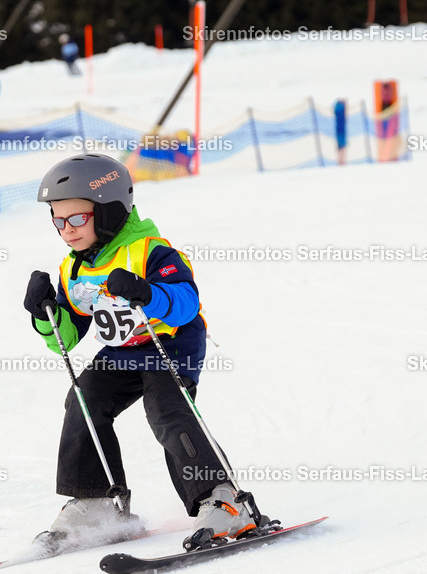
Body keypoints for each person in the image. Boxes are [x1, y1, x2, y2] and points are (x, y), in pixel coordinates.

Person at [23, 153, 264, 550]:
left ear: (109, 211)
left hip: (169, 344)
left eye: (77, 218)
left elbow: (186, 303)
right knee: (83, 400)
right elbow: (65, 340)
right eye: (58, 220)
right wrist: (45, 313)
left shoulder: (149, 251)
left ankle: (224, 502)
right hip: (121, 351)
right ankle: (95, 501)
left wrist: (147, 292)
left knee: (167, 411)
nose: (66, 230)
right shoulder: (74, 269)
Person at [334, 99, 348, 165]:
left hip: (340, 129)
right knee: (341, 146)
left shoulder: (338, 108)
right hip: (340, 130)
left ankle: (341, 160)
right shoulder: (340, 108)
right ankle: (341, 161)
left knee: (341, 146)